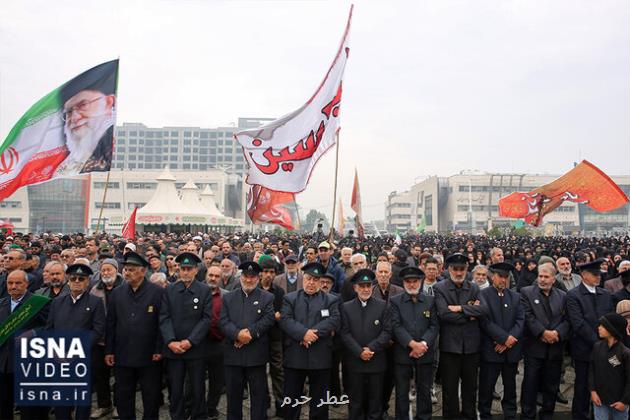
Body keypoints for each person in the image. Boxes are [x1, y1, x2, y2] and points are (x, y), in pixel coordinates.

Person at [105, 251, 164, 420]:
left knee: (150, 395)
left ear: (143, 271)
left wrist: (159, 349)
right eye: (126, 269)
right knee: (124, 395)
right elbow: (111, 324)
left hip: (149, 355)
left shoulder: (156, 293)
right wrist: (109, 350)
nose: (127, 273)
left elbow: (162, 323)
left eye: (132, 269)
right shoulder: (117, 293)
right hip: (123, 354)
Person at [279, 262, 341, 420]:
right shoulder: (290, 298)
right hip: (295, 355)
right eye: (308, 279)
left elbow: (334, 320)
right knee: (292, 399)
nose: (311, 283)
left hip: (320, 356)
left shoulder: (331, 300)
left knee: (320, 400)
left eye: (315, 279)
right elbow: (285, 320)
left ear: (321, 282)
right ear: (302, 279)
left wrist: (312, 335)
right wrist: (302, 334)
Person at [46, 263, 106, 420]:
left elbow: (98, 330)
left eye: (81, 278)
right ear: (68, 280)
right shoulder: (57, 302)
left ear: (87, 282)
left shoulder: (95, 302)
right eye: (73, 278)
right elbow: (49, 330)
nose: (77, 281)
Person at [434, 253, 487, 419]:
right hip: (450, 346)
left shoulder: (474, 288)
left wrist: (460, 308)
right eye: (455, 269)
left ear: (467, 270)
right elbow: (443, 314)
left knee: (470, 389)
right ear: (449, 269)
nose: (458, 272)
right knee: (449, 389)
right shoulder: (440, 288)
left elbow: (484, 310)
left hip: (471, 347)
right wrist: (470, 314)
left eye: (462, 269)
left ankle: (469, 416)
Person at [159, 252, 212, 420]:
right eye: (183, 269)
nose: (186, 272)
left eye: (189, 269)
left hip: (195, 349)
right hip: (174, 349)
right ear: (178, 270)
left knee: (197, 387)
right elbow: (164, 317)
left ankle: (198, 415)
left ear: (196, 270)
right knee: (175, 388)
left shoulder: (204, 290)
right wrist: (171, 341)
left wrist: (190, 341)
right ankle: (177, 416)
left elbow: (206, 319)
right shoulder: (170, 290)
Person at [220, 261, 275, 420]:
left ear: (258, 278)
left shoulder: (267, 297)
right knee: (233, 396)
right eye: (246, 276)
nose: (249, 280)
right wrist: (237, 334)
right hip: (233, 354)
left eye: (252, 277)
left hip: (256, 355)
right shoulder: (228, 297)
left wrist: (248, 334)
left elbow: (268, 319)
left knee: (258, 397)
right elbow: (223, 321)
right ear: (240, 276)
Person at [519, 263, 570, 420]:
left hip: (555, 348)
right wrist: (542, 332)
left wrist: (557, 333)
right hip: (534, 348)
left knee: (552, 386)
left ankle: (547, 415)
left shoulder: (562, 295)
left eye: (546, 277)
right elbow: (527, 316)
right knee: (530, 384)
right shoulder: (526, 292)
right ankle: (528, 415)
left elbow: (567, 319)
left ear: (554, 279)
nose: (542, 279)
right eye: (540, 276)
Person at [340, 268, 391, 420]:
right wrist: (359, 351)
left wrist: (371, 348)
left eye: (368, 285)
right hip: (355, 361)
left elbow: (387, 331)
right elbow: (345, 333)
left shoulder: (382, 306)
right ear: (355, 288)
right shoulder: (346, 307)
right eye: (362, 286)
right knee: (355, 400)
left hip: (376, 361)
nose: (365, 289)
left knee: (375, 400)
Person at [567, 258, 614, 420]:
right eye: (594, 274)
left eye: (599, 274)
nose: (598, 277)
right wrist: (597, 342)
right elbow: (578, 323)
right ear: (584, 275)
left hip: (605, 348)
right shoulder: (573, 295)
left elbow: (610, 319)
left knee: (602, 386)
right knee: (582, 387)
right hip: (584, 350)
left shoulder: (605, 294)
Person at [389, 266, 439, 420]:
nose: (411, 284)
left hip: (425, 352)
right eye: (408, 281)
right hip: (403, 352)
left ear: (420, 281)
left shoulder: (430, 301)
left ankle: (424, 417)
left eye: (415, 281)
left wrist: (422, 344)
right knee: (402, 391)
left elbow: (434, 325)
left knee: (424, 389)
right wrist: (412, 344)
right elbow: (396, 326)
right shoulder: (395, 301)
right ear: (404, 283)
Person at [478, 262, 524, 420]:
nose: (503, 280)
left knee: (510, 387)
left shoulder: (516, 296)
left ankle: (510, 414)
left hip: (511, 351)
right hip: (491, 350)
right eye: (500, 276)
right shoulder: (483, 295)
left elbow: (520, 320)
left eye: (506, 277)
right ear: (492, 277)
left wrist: (509, 340)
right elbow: (485, 321)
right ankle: (485, 414)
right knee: (487, 386)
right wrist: (504, 338)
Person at [0, 270, 48, 420]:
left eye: (18, 283)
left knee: (29, 409)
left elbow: (51, 328)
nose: (13, 286)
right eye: (10, 283)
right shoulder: (2, 303)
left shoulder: (39, 303)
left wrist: (33, 333)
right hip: (3, 363)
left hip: (28, 364)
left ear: (26, 284)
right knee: (3, 405)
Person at [56, 60, 117, 175]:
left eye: (83, 105)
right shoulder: (75, 159)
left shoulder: (111, 145)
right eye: (69, 112)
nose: (74, 118)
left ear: (108, 103)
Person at [89, 257, 123, 419]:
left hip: (120, 340)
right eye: (103, 270)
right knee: (99, 374)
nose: (106, 272)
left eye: (109, 269)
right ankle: (104, 405)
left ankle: (119, 404)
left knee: (120, 375)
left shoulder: (125, 287)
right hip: (100, 340)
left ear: (116, 271)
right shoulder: (95, 289)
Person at [258, 257, 286, 416]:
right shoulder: (255, 289)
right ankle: (265, 402)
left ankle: (280, 403)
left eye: (271, 272)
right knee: (260, 372)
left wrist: (279, 316)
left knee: (278, 371)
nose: (268, 275)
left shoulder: (279, 292)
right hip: (259, 337)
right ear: (260, 273)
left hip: (275, 337)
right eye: (266, 271)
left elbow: (283, 314)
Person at [589, 312, 630, 420]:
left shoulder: (625, 353)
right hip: (600, 400)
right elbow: (592, 370)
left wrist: (624, 401)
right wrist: (593, 391)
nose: (599, 328)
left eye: (602, 326)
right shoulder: (597, 347)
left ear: (612, 330)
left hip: (619, 403)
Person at [205, 265, 227, 419]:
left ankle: (211, 408)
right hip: (198, 344)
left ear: (221, 278)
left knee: (216, 381)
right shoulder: (198, 292)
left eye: (216, 276)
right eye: (210, 275)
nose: (213, 278)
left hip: (219, 344)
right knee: (194, 380)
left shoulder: (227, 296)